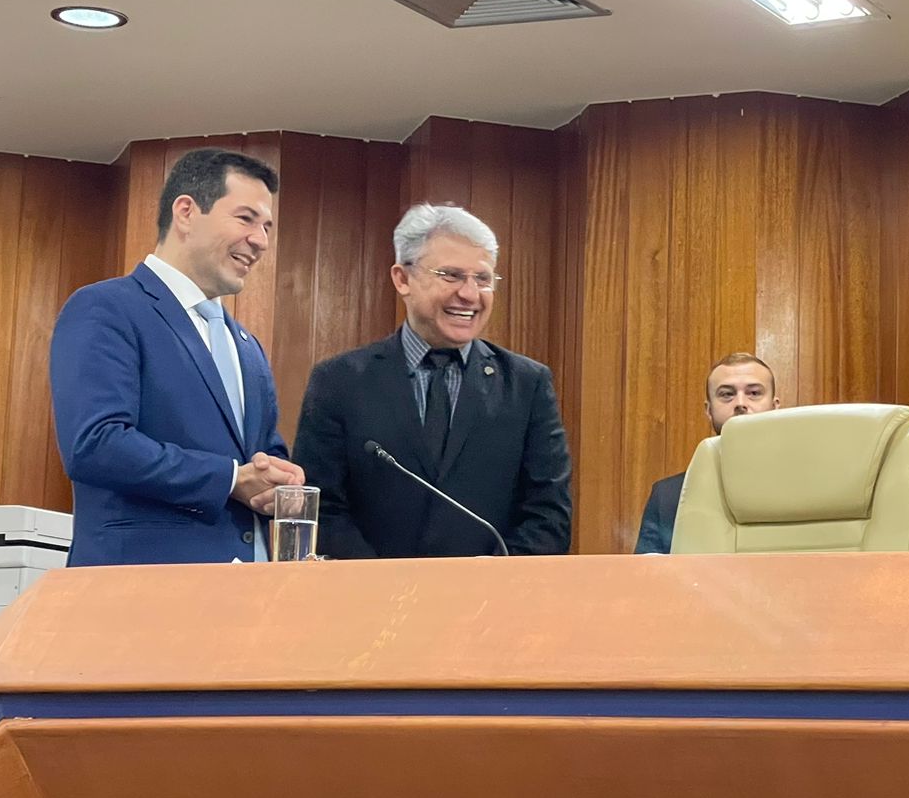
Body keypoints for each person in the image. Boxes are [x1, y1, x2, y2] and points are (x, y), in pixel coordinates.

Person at [50, 148, 303, 566]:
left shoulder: (247, 346)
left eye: (267, 227)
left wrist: (279, 481)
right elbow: (95, 444)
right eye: (246, 218)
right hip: (141, 586)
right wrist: (229, 479)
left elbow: (264, 454)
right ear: (185, 212)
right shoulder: (106, 308)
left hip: (250, 590)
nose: (261, 241)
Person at [293, 203, 571, 557]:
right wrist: (384, 582)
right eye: (451, 275)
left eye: (483, 278)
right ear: (402, 279)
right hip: (371, 589)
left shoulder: (527, 384)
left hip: (493, 589)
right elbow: (320, 508)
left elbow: (549, 516)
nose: (470, 294)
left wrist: (490, 580)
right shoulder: (339, 382)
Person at [634, 353, 780, 554]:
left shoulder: (806, 488)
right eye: (726, 394)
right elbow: (647, 572)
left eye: (754, 393)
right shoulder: (668, 496)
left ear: (774, 407)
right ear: (708, 410)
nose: (740, 403)